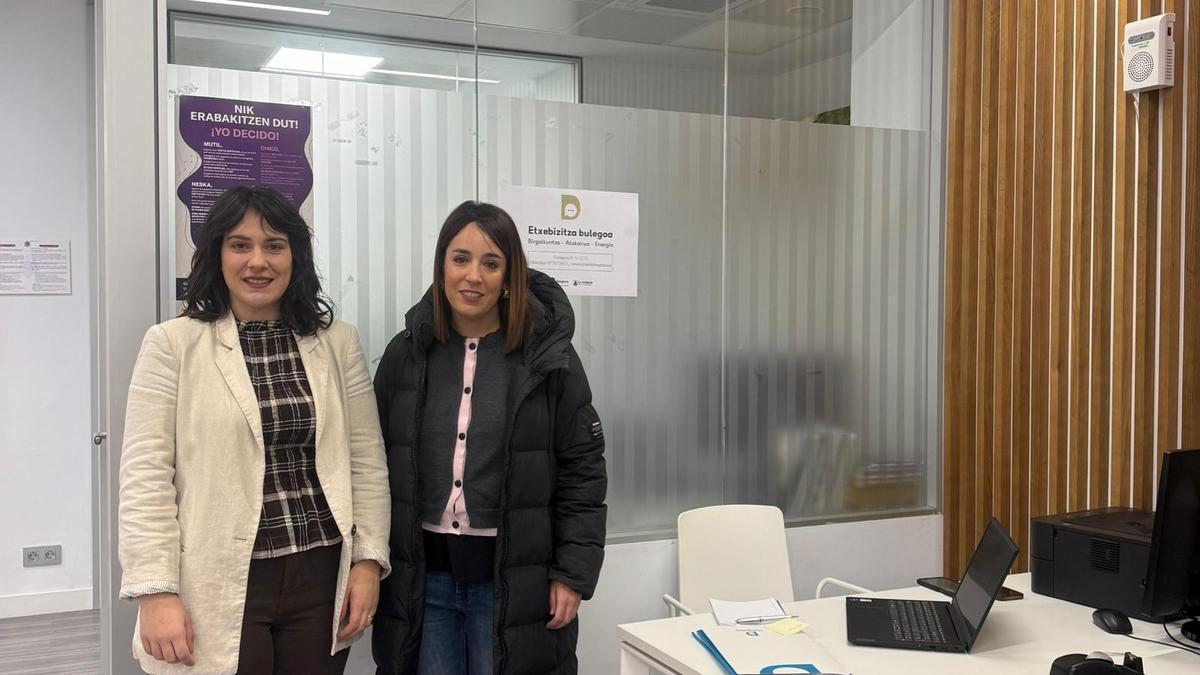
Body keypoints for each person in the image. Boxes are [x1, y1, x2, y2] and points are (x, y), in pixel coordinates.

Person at [118, 186, 391, 674]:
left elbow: (366, 462)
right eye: (240, 245)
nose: (258, 261)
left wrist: (368, 562)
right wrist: (155, 591)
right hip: (218, 574)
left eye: (274, 245)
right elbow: (145, 477)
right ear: (217, 254)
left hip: (320, 571)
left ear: (295, 256)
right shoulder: (172, 344)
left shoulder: (336, 342)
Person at [371, 201, 607, 674]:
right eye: (460, 259)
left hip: (513, 582)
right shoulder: (407, 354)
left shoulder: (546, 360)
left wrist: (572, 574)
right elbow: (373, 465)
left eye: (491, 263)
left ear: (509, 276)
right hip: (425, 581)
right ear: (441, 266)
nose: (473, 276)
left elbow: (583, 469)